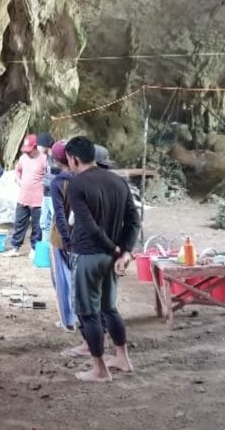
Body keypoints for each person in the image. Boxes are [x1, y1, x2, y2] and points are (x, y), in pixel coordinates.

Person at [64, 136, 139, 382]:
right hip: (111, 258)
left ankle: (99, 369)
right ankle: (122, 358)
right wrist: (124, 251)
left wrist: (116, 249)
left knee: (88, 313)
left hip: (88, 255)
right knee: (109, 308)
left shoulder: (77, 185)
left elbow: (88, 226)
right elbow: (133, 220)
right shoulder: (118, 182)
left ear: (73, 159)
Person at [49, 140, 77, 332]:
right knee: (76, 278)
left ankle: (67, 321)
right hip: (80, 237)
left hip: (61, 238)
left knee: (62, 281)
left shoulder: (59, 182)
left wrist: (65, 239)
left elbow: (59, 214)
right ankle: (78, 318)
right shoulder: (82, 178)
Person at [4, 134, 45, 258]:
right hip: (23, 197)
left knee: (37, 225)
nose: (27, 152)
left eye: (29, 150)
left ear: (35, 147)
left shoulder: (44, 159)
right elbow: (18, 170)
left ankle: (34, 248)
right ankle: (15, 247)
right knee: (19, 223)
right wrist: (17, 179)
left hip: (38, 199)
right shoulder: (23, 158)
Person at [37, 132, 55, 245]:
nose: (37, 147)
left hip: (54, 194)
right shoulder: (46, 157)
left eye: (39, 145)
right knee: (44, 222)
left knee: (55, 221)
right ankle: (45, 245)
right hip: (46, 193)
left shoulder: (56, 157)